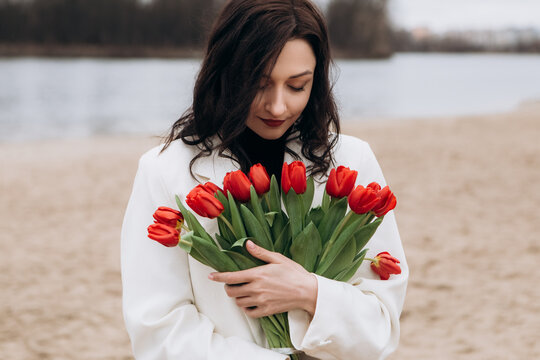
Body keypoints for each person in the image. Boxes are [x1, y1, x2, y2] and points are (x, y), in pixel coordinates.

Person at [121, 0, 408, 359]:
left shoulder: (350, 162)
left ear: (316, 82)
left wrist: (310, 292)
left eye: (296, 86)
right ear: (226, 73)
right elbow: (157, 329)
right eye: (258, 84)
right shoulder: (165, 171)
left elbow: (381, 327)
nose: (277, 107)